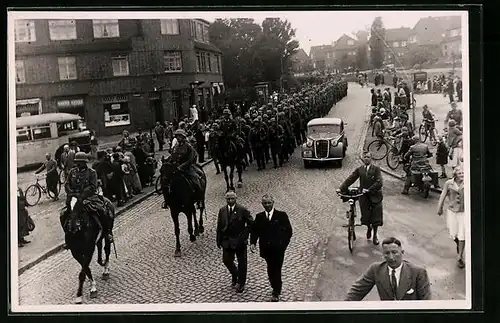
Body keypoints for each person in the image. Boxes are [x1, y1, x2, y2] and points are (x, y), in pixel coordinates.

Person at [345, 237, 431, 301]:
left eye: (394, 252)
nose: (391, 257)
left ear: (402, 252)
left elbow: (426, 303)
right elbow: (356, 292)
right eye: (387, 253)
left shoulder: (418, 272)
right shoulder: (376, 269)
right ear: (383, 254)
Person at [60, 152, 114, 246]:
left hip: (89, 197)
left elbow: (93, 187)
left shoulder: (91, 172)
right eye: (77, 162)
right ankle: (68, 238)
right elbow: (67, 184)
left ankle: (107, 232)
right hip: (73, 198)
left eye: (80, 162)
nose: (78, 164)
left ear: (85, 162)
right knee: (63, 215)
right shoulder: (72, 172)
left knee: (101, 211)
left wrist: (82, 194)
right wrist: (71, 192)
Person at [250, 194, 293, 302]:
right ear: (262, 204)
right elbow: (255, 231)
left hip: (278, 250)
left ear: (273, 203)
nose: (267, 205)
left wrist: (283, 245)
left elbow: (288, 231)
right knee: (270, 269)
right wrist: (253, 243)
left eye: (269, 203)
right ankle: (274, 285)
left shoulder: (281, 215)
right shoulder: (259, 217)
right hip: (266, 249)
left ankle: (276, 290)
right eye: (265, 203)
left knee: (276, 269)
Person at [339, 152, 384, 245]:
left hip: (375, 196)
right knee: (366, 216)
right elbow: (350, 179)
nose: (366, 159)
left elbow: (379, 182)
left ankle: (375, 235)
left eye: (368, 157)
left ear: (371, 159)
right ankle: (368, 228)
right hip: (364, 196)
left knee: (376, 217)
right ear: (363, 159)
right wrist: (341, 188)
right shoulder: (360, 170)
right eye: (365, 157)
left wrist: (369, 189)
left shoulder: (376, 169)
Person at [216, 191, 253, 293]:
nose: (230, 201)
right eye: (228, 199)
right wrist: (218, 239)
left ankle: (241, 283)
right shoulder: (222, 210)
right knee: (226, 260)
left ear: (236, 199)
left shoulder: (242, 210)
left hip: (239, 241)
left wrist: (244, 235)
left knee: (242, 262)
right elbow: (219, 225)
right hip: (227, 241)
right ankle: (235, 274)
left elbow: (251, 223)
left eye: (232, 199)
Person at [163, 129, 201, 206]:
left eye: (180, 136)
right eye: (177, 136)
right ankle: (167, 201)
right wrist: (167, 160)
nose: (178, 138)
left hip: (187, 168)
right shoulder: (175, 147)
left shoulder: (188, 146)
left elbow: (191, 158)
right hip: (176, 168)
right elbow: (172, 156)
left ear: (183, 137)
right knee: (166, 182)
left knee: (196, 180)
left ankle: (199, 199)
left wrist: (182, 166)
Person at [437, 167, 466, 269]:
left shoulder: (468, 182)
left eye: (463, 172)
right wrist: (439, 207)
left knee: (463, 234)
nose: (462, 174)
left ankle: (460, 257)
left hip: (463, 212)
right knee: (453, 234)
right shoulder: (449, 183)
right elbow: (443, 195)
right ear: (455, 174)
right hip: (452, 211)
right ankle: (459, 243)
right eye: (459, 173)